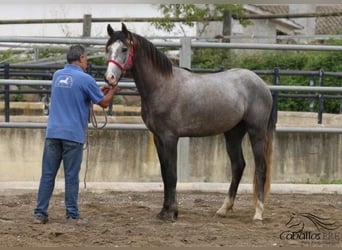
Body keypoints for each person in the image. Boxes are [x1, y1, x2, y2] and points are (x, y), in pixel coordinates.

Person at [33, 45, 118, 225]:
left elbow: (75, 94)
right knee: (71, 176)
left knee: (48, 174)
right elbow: (103, 103)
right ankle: (72, 214)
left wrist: (95, 91)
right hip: (72, 135)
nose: (86, 62)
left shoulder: (57, 76)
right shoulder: (85, 79)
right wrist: (113, 89)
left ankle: (40, 213)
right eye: (86, 58)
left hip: (53, 132)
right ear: (80, 58)